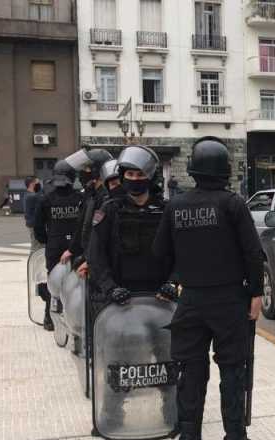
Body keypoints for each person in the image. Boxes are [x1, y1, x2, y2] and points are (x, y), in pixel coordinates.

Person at [153, 137, 265, 440]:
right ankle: (235, 434)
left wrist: (177, 279)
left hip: (190, 300)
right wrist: (256, 292)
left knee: (190, 372)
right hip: (230, 301)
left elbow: (161, 252)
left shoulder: (175, 205)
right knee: (233, 371)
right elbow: (253, 253)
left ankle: (190, 435)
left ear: (193, 170)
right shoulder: (233, 204)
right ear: (225, 170)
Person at [87, 146, 175, 431]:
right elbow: (95, 255)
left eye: (138, 174)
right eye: (128, 174)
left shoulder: (165, 210)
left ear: (149, 177)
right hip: (120, 302)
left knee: (167, 365)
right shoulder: (110, 210)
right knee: (119, 366)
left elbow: (182, 252)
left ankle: (171, 416)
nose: (133, 179)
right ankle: (113, 420)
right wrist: (110, 288)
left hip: (160, 301)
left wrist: (173, 282)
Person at [33, 160, 84, 331]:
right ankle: (75, 318)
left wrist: (49, 240)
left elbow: (37, 227)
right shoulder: (80, 199)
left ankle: (49, 317)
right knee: (77, 282)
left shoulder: (46, 199)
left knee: (54, 282)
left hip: (55, 245)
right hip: (77, 247)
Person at [63, 149, 114, 274]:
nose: (82, 172)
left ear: (97, 170)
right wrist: (72, 249)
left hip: (98, 264)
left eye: (86, 168)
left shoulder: (105, 197)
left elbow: (100, 234)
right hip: (88, 257)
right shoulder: (92, 194)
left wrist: (90, 261)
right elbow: (83, 225)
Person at [23, 177, 42, 249]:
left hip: (31, 223)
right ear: (31, 184)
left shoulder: (27, 194)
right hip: (35, 224)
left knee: (36, 245)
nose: (38, 185)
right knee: (36, 246)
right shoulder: (33, 196)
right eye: (37, 183)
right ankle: (32, 260)